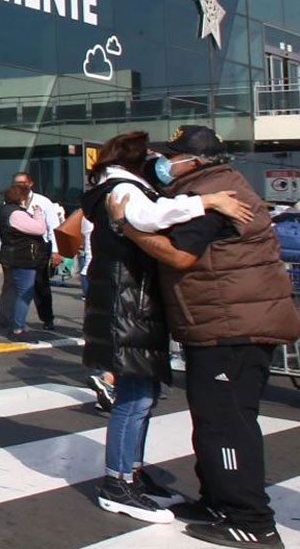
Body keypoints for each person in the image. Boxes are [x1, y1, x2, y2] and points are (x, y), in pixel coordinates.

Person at [112, 125, 300, 548]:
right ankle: (217, 500)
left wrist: (129, 227)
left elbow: (180, 254)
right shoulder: (210, 190)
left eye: (171, 155)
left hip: (232, 328)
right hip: (223, 323)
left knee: (226, 424)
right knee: (213, 419)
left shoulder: (216, 197)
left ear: (194, 161)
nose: (163, 163)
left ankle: (250, 520)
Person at [82, 131, 255, 525]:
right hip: (127, 304)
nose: (163, 162)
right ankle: (118, 483)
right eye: (156, 155)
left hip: (131, 303)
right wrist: (206, 201)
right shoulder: (122, 188)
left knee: (143, 391)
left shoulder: (122, 185)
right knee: (135, 396)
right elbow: (145, 218)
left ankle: (133, 474)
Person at [0, 179, 48, 339]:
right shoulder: (16, 214)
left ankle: (11, 321)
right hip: (22, 257)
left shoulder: (6, 211)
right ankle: (17, 327)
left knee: (13, 289)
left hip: (12, 256)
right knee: (24, 292)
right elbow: (39, 229)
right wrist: (38, 213)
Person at [22, 174, 65, 329]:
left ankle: (47, 318)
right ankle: (15, 318)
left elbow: (53, 227)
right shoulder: (12, 201)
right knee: (16, 284)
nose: (20, 185)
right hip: (20, 246)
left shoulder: (42, 201)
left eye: (23, 182)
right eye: (17, 183)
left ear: (31, 183)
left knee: (40, 284)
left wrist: (55, 251)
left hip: (40, 246)